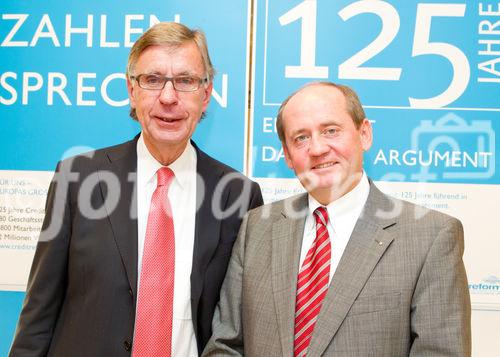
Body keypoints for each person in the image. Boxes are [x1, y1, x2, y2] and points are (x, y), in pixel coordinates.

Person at [9, 22, 263, 357]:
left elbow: (241, 326)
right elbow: (39, 313)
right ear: (132, 90)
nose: (168, 97)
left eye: (185, 81)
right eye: (153, 80)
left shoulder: (239, 196)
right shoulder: (79, 178)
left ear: (206, 93)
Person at [202, 82, 471, 357]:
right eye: (301, 138)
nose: (317, 148)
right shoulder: (256, 228)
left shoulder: (431, 237)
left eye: (331, 130)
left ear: (364, 134)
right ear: (287, 156)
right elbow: (225, 345)